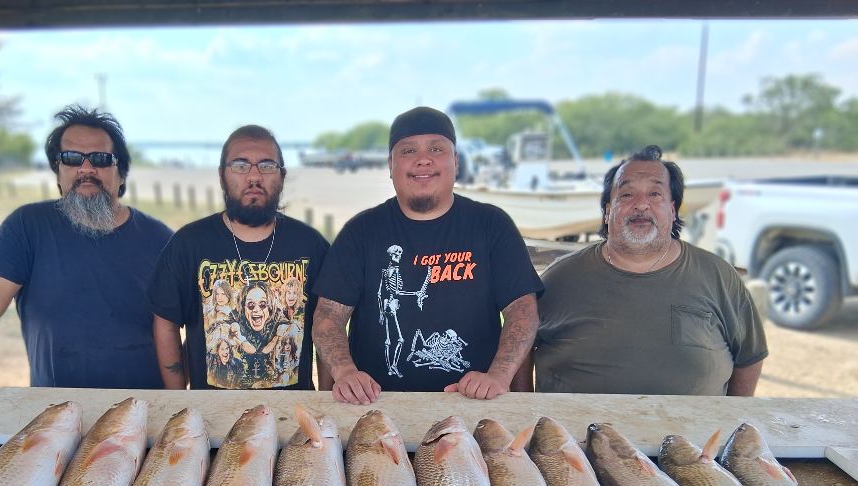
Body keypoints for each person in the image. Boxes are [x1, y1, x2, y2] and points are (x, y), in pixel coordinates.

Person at [0, 106, 173, 403]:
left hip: (144, 408)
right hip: (54, 410)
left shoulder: (162, 240)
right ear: (58, 172)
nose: (86, 169)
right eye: (72, 158)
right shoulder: (27, 226)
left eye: (101, 159)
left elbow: (193, 324)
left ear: (122, 174)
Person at [312, 106, 542, 404]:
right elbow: (328, 314)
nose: (423, 159)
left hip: (473, 406)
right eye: (408, 150)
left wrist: (498, 376)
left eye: (436, 148)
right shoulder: (361, 231)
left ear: (456, 162)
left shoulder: (491, 225)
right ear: (391, 165)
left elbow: (522, 310)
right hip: (376, 408)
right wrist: (345, 373)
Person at [518, 145, 767, 396]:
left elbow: (749, 357)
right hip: (579, 435)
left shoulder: (719, 277)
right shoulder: (559, 279)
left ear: (672, 209)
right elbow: (519, 346)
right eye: (626, 195)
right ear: (607, 211)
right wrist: (526, 410)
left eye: (655, 194)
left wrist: (733, 417)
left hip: (694, 435)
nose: (641, 205)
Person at [148, 125, 328, 390]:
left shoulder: (311, 245)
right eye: (241, 165)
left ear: (281, 176)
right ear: (222, 176)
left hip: (293, 417)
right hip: (210, 418)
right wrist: (177, 397)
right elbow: (165, 322)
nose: (254, 176)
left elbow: (327, 326)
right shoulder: (189, 243)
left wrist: (323, 401)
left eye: (267, 165)